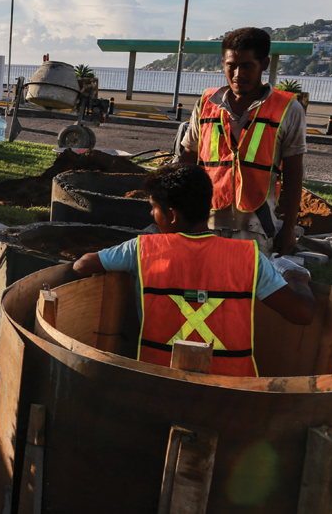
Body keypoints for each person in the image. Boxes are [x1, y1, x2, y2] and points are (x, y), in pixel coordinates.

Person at [73, 164, 315, 377]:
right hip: (232, 391)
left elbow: (82, 264)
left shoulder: (141, 250)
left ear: (171, 215)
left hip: (156, 381)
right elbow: (301, 313)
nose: (151, 214)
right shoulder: (250, 258)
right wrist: (295, 277)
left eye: (154, 208)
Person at [177, 27, 306, 256]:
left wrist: (288, 228)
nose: (237, 73)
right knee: (205, 288)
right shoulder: (206, 103)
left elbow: (294, 173)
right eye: (231, 65)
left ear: (264, 64)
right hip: (206, 220)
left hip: (256, 226)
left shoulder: (288, 110)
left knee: (247, 289)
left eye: (247, 65)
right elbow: (188, 158)